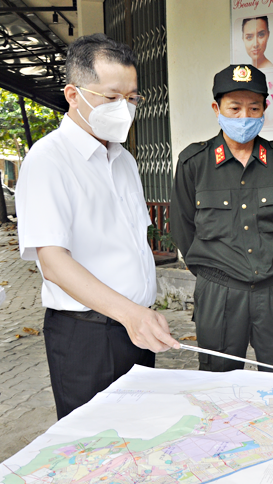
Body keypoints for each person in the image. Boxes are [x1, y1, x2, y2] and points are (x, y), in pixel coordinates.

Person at [15, 33, 179, 420]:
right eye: (111, 97)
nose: (124, 108)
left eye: (132, 97)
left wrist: (138, 314)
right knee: (95, 451)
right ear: (74, 94)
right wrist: (130, 313)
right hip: (87, 336)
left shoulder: (123, 159)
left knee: (139, 437)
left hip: (134, 328)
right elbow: (53, 262)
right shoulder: (48, 160)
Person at [169, 64, 273, 373]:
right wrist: (214, 272)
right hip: (219, 291)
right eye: (235, 107)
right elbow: (183, 227)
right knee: (218, 383)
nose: (244, 116)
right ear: (217, 108)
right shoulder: (194, 163)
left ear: (264, 110)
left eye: (254, 107)